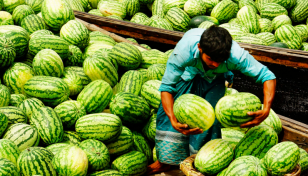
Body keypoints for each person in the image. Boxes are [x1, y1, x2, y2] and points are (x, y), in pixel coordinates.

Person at [147, 26, 276, 174]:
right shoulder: (183, 52)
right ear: (200, 48)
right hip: (188, 72)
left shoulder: (236, 55)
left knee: (210, 121)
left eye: (220, 61)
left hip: (215, 78)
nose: (215, 64)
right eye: (211, 59)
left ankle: (200, 162)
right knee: (169, 114)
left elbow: (268, 76)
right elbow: (166, 87)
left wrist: (266, 108)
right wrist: (172, 118)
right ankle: (164, 161)